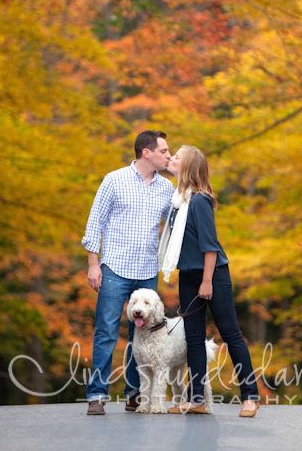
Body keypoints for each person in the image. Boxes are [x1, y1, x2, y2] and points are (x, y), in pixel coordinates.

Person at [163, 145, 259, 417]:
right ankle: (196, 400)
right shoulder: (178, 201)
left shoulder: (200, 200)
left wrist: (207, 282)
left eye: (177, 156)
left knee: (230, 333)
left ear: (188, 166)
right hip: (188, 276)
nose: (171, 158)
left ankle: (250, 396)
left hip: (212, 274)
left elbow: (210, 247)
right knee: (193, 339)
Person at [82, 130, 174, 416]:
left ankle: (135, 394)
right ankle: (97, 395)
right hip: (114, 270)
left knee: (143, 337)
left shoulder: (166, 188)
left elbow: (176, 227)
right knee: (107, 332)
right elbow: (94, 223)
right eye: (164, 151)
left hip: (147, 272)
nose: (168, 156)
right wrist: (93, 265)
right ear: (147, 152)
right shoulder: (114, 180)